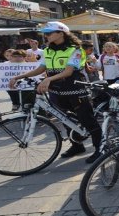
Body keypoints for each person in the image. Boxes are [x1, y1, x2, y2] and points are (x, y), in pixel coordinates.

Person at [10, 22, 103, 163]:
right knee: (64, 118)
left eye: (49, 33)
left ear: (61, 33)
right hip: (56, 90)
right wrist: (19, 76)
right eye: (45, 33)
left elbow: (68, 71)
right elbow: (41, 69)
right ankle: (77, 146)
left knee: (87, 119)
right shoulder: (48, 50)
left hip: (75, 88)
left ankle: (100, 149)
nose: (46, 36)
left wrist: (48, 79)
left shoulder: (76, 50)